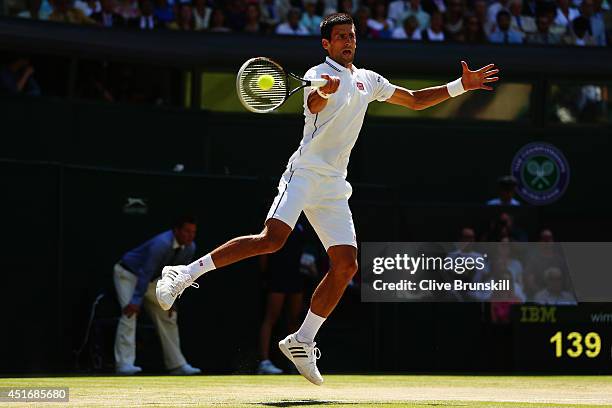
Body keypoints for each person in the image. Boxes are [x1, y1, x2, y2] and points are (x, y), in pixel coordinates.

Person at [156, 12, 499, 386]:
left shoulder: (369, 79)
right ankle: (184, 273)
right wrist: (323, 92)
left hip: (335, 185)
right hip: (303, 173)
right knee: (272, 240)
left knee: (346, 265)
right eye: (340, 37)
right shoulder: (317, 75)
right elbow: (316, 104)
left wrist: (460, 87)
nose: (348, 42)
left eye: (351, 36)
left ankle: (302, 340)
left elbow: (414, 100)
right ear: (327, 44)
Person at [114, 215, 201, 375]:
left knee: (169, 315)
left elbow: (177, 276)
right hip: (128, 274)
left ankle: (177, 364)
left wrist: (171, 301)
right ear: (176, 231)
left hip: (150, 280)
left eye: (193, 232)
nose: (191, 235)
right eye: (187, 231)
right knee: (129, 313)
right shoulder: (161, 244)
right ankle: (124, 364)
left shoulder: (190, 247)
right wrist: (135, 301)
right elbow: (145, 272)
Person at [257, 221, 314, 375]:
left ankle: (296, 362)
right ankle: (264, 362)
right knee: (271, 318)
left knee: (293, 320)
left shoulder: (302, 226)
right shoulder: (277, 221)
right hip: (277, 275)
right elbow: (264, 248)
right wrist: (266, 275)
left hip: (295, 276)